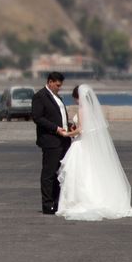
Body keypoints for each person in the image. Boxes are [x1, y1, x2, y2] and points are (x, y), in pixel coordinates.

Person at [56, 84, 132, 221]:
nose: (76, 101)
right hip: (89, 145)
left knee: (79, 173)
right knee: (91, 172)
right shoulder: (93, 110)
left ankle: (78, 201)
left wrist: (67, 134)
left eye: (75, 98)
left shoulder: (82, 109)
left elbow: (81, 130)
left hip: (81, 144)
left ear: (78, 97)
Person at [32, 72, 78, 215]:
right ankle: (48, 205)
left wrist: (69, 125)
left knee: (60, 173)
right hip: (51, 141)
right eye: (57, 85)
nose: (59, 88)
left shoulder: (56, 97)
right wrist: (56, 129)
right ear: (50, 82)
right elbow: (37, 117)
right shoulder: (40, 96)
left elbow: (59, 117)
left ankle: (58, 202)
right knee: (49, 174)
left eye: (60, 86)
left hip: (63, 140)